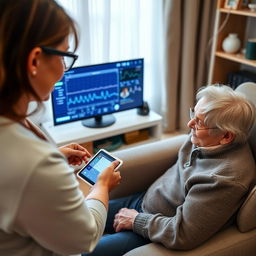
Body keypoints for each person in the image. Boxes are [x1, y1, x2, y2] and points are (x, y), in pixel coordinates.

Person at [0, 0, 121, 255]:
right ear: (34, 60)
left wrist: (52, 158)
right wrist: (101, 186)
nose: (64, 71)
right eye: (65, 56)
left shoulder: (14, 122)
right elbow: (84, 237)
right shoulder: (33, 162)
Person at [84, 84, 256, 256]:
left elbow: (183, 233)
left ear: (226, 137)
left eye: (199, 122)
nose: (190, 124)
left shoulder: (224, 179)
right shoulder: (209, 136)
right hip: (145, 200)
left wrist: (135, 220)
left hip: (155, 230)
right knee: (78, 218)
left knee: (84, 251)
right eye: (193, 114)